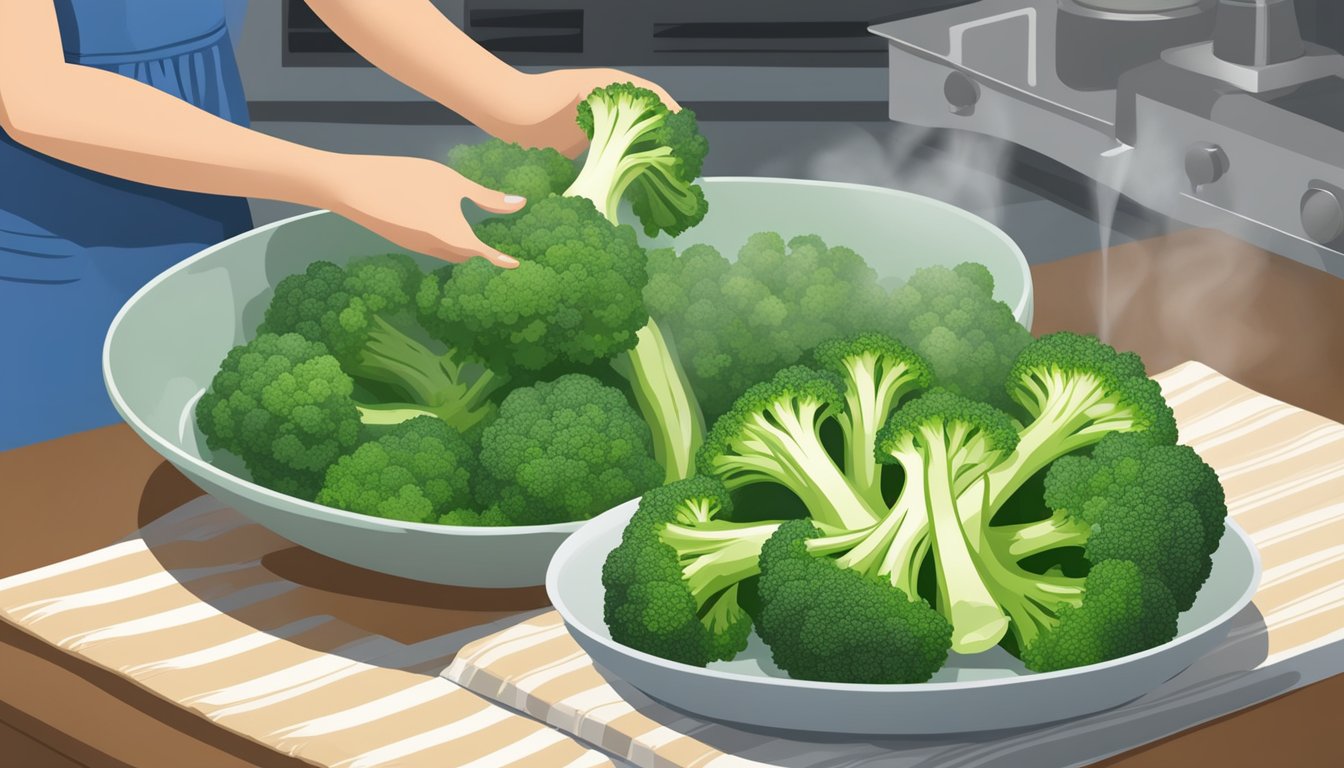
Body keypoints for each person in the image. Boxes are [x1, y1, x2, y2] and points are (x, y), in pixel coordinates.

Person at [0, 0, 679, 451]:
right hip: (46, 248)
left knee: (197, 456)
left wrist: (509, 97)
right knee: (67, 499)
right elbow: (34, 94)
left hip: (209, 184)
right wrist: (337, 177)